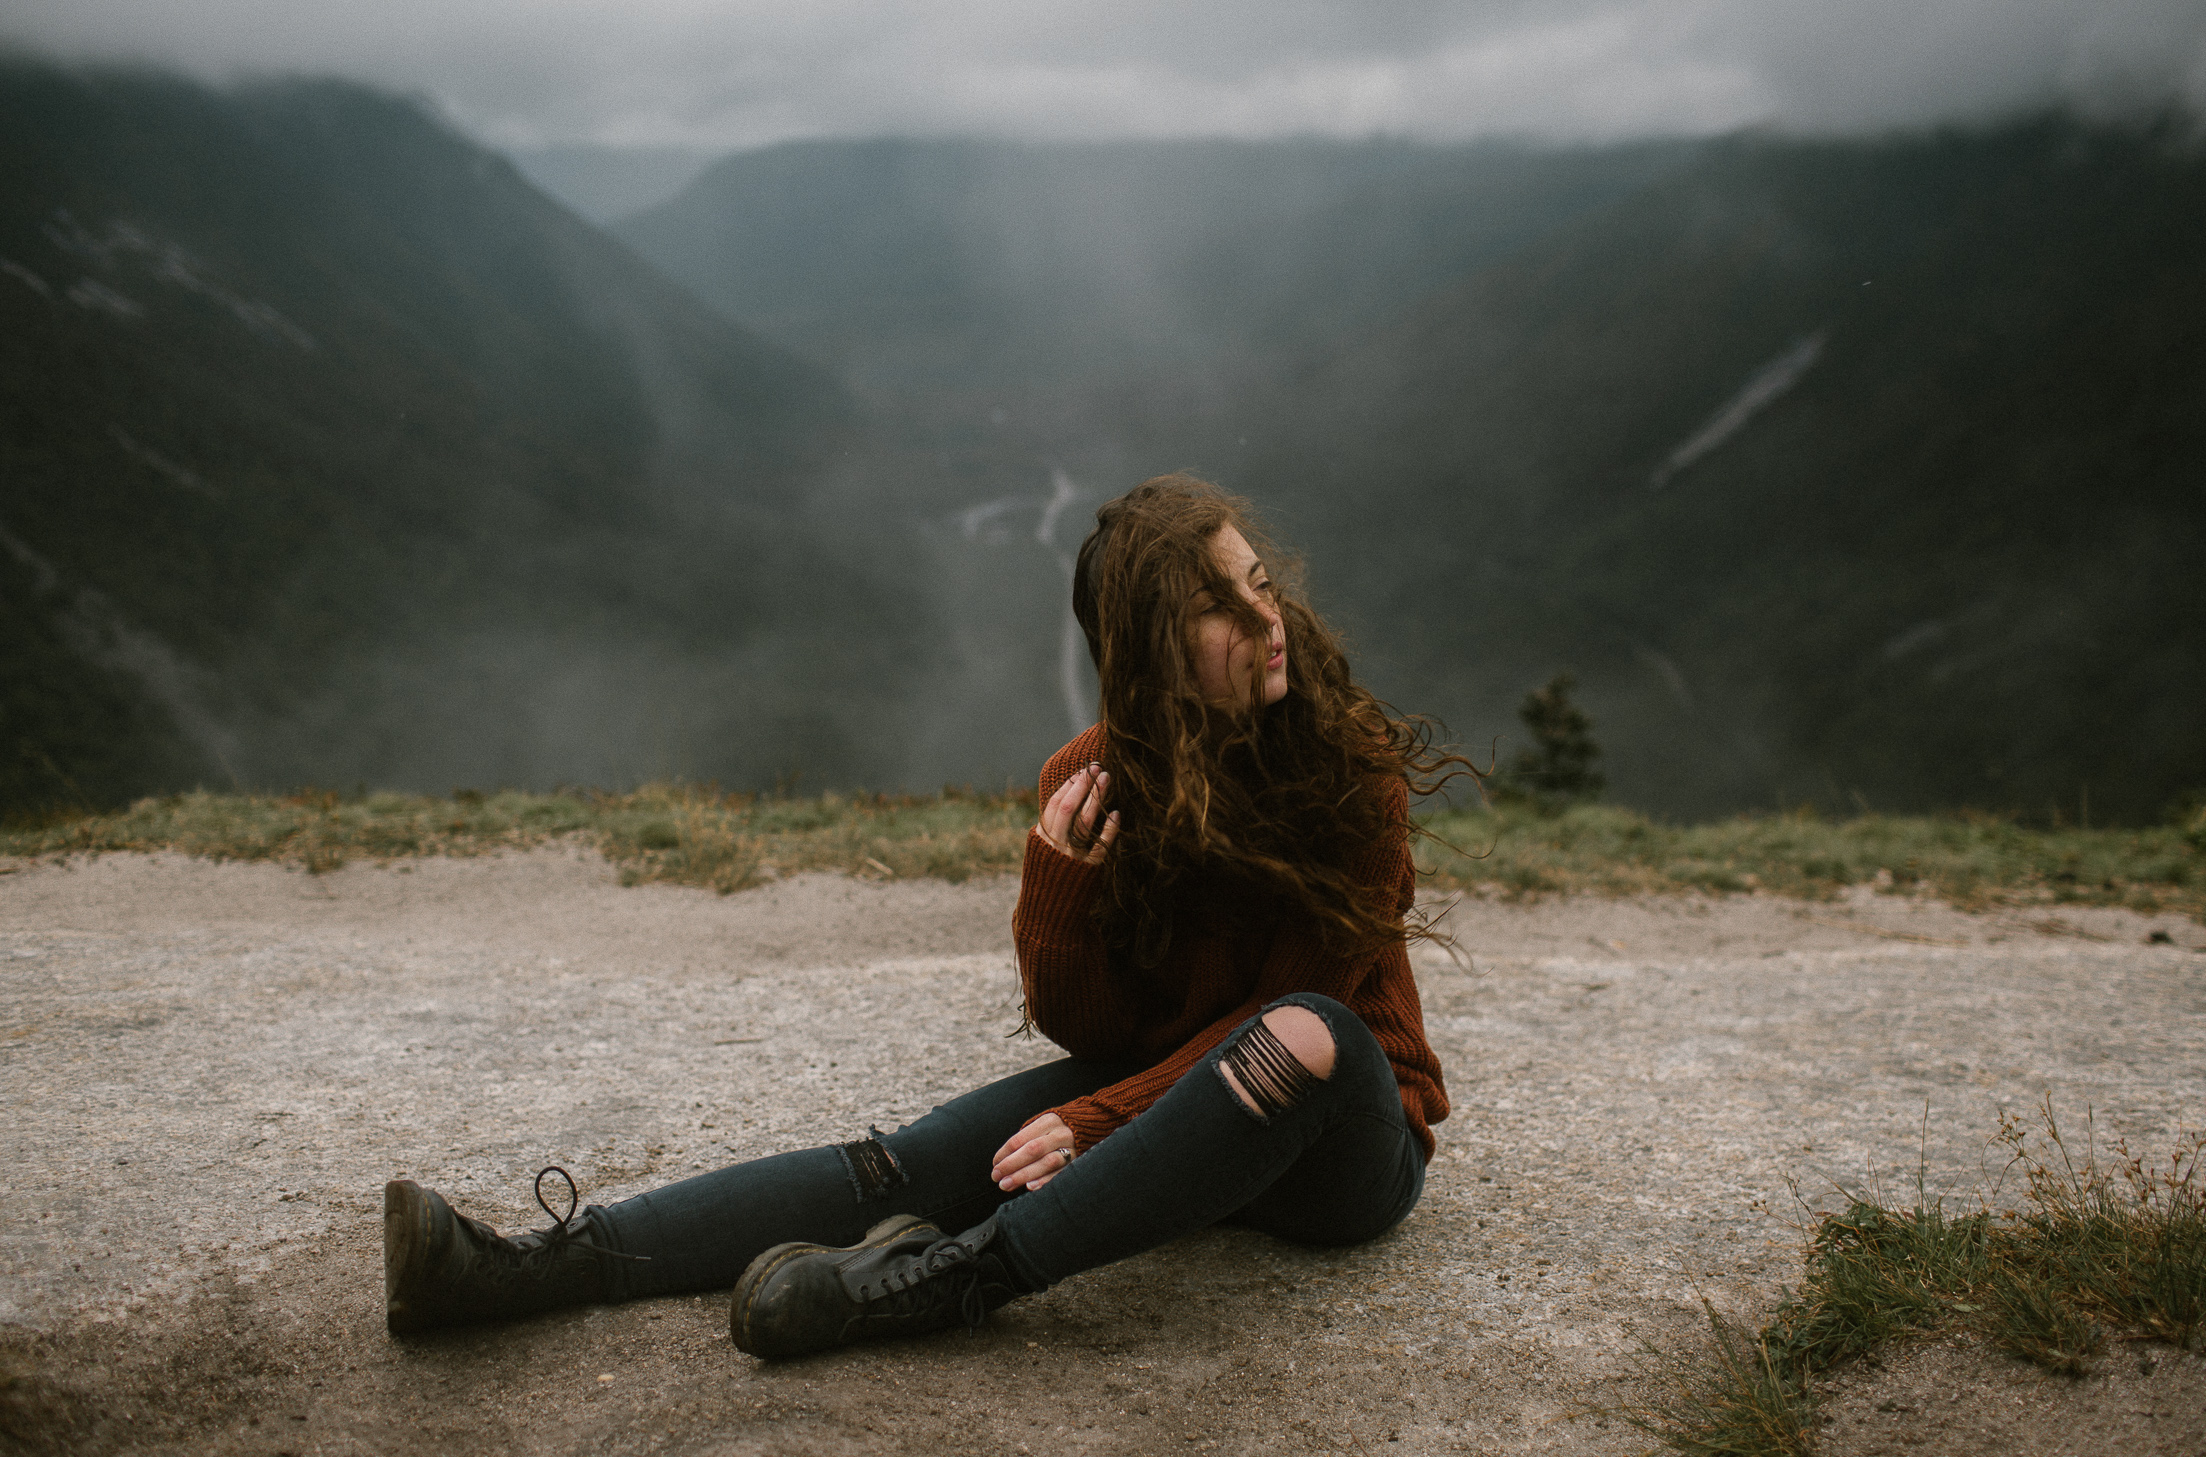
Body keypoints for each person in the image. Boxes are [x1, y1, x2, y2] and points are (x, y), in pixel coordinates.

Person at [383, 473, 1460, 1359]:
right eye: (1221, 608)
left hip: (1335, 1144)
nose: (1267, 619)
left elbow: (1278, 1009)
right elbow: (1091, 1033)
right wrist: (1059, 889)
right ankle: (513, 1271)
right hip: (1168, 1108)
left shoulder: (1344, 772)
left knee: (1305, 1032)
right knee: (916, 1160)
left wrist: (1098, 1122)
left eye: (1260, 583)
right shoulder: (1094, 783)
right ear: (1148, 655)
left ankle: (949, 1283)